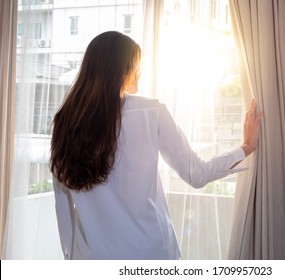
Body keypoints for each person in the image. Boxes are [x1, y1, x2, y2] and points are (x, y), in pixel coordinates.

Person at [50, 31, 262, 260]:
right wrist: (246, 147)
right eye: (136, 65)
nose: (139, 71)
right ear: (122, 69)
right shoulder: (151, 113)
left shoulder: (64, 123)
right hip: (151, 255)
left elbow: (63, 209)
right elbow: (196, 173)